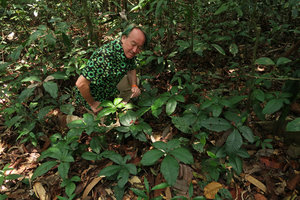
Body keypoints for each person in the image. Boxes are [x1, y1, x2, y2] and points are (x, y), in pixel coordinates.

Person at [75, 24, 146, 113]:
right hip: (91, 97)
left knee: (135, 81)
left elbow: (131, 68)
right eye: (133, 44)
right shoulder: (105, 56)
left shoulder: (128, 51)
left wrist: (134, 85)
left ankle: (119, 106)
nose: (135, 50)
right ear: (123, 38)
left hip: (109, 89)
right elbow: (80, 83)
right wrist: (92, 104)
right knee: (109, 126)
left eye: (139, 47)